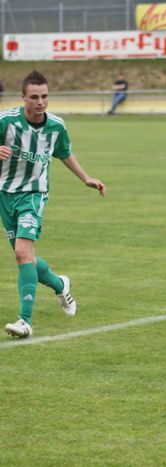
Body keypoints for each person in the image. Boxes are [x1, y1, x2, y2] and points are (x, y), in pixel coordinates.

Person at [2, 71, 107, 339]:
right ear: (23, 97)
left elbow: (64, 152)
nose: (40, 102)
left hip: (34, 194)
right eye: (34, 97)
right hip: (5, 194)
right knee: (26, 258)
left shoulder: (56, 126)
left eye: (44, 96)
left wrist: (86, 177)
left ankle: (25, 322)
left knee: (22, 254)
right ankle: (60, 284)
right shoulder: (6, 121)